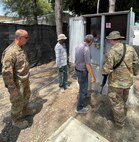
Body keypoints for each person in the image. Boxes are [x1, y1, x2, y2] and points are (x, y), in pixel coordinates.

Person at [102, 31, 139, 129]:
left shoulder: (112, 51)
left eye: (110, 39)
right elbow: (136, 62)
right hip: (128, 82)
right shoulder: (130, 48)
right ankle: (123, 114)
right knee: (123, 100)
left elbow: (107, 69)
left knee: (117, 103)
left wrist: (102, 71)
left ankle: (119, 124)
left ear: (112, 40)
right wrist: (134, 73)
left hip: (116, 84)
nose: (109, 41)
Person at [1, 29, 36, 129]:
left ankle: (25, 111)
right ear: (19, 38)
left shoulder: (21, 48)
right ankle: (16, 120)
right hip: (17, 84)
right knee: (17, 103)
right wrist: (12, 89)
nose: (27, 39)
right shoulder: (10, 52)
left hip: (24, 80)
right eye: (26, 37)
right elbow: (6, 73)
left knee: (26, 97)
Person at [75, 34, 96, 114]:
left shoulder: (78, 45)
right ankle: (79, 108)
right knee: (82, 90)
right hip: (82, 71)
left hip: (77, 69)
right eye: (92, 42)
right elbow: (88, 65)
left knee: (82, 85)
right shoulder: (86, 49)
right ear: (90, 41)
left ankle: (85, 94)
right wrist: (93, 77)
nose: (92, 44)